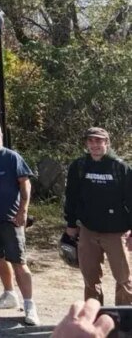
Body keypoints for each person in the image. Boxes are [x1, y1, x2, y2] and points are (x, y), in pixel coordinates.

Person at [0, 121, 40, 326]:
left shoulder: (12, 157)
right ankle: (9, 294)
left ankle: (30, 306)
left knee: (19, 262)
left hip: (11, 219)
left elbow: (25, 184)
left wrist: (23, 211)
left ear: (1, 136)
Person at [63, 126, 132, 305]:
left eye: (98, 141)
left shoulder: (120, 167)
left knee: (124, 279)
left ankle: (123, 322)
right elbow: (71, 197)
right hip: (88, 229)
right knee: (90, 279)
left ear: (107, 143)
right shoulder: (79, 166)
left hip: (116, 232)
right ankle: (93, 317)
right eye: (90, 141)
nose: (94, 145)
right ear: (86, 144)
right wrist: (71, 223)